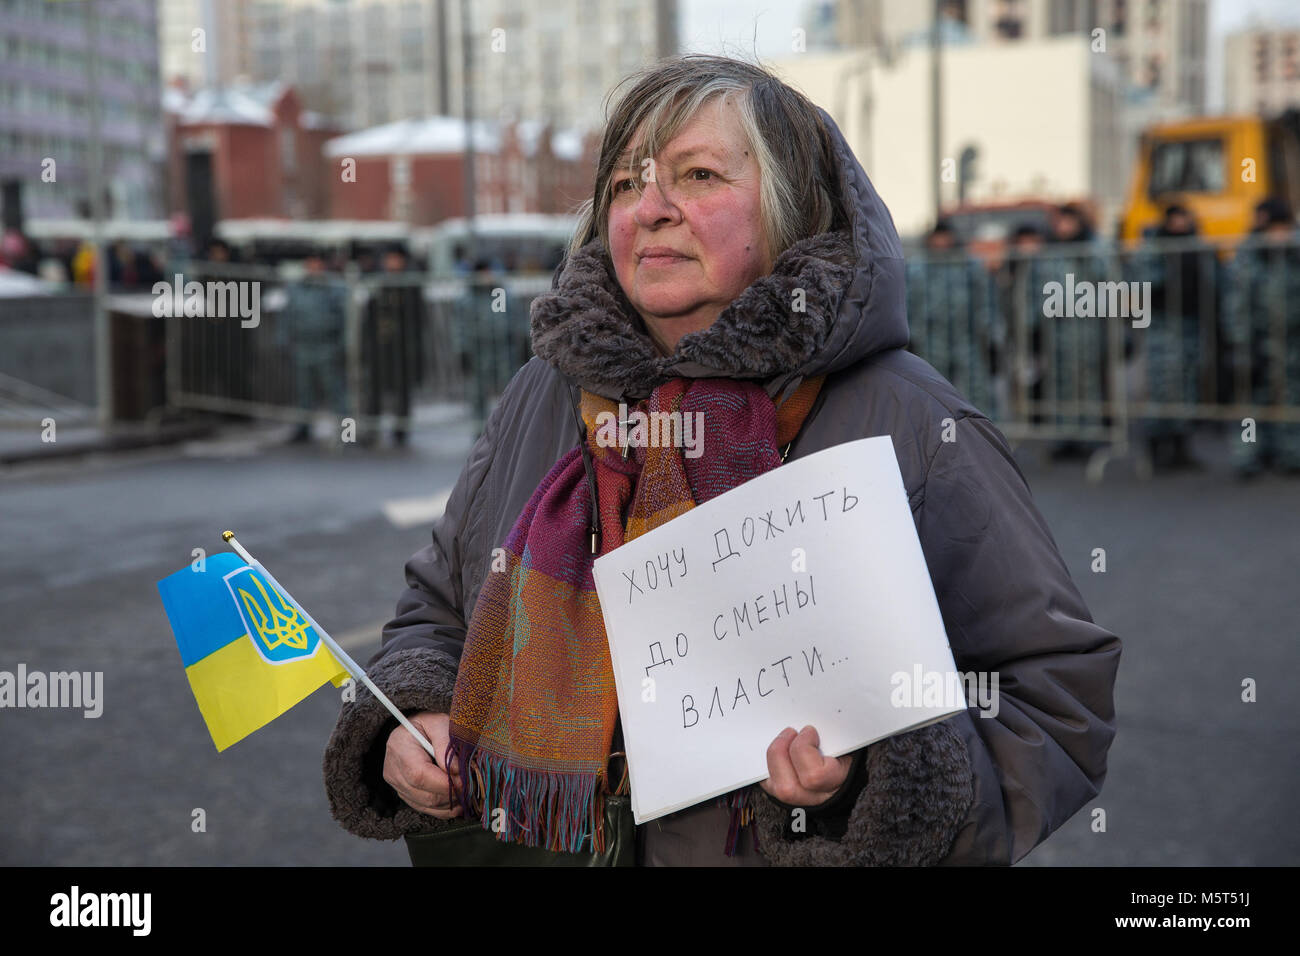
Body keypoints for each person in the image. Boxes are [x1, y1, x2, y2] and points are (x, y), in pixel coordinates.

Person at [323, 54, 1121, 866]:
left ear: (790, 211)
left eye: (697, 175)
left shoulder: (911, 420)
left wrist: (866, 788)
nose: (653, 208)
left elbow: (1051, 700)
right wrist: (410, 717)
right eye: (629, 183)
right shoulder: (544, 391)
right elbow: (438, 607)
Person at [1224, 197, 1300, 475]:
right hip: (1257, 340)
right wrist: (1240, 342)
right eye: (1275, 229)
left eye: (1284, 229)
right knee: (1251, 403)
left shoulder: (1294, 253)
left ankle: (1291, 454)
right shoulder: (1249, 256)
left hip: (1291, 342)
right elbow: (1237, 304)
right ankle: (1247, 457)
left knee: (1290, 400)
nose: (1280, 236)